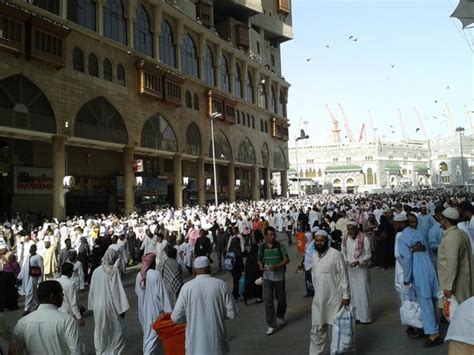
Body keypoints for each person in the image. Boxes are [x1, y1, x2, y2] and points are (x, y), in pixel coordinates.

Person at [171, 256, 236, 355]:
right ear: (209, 268)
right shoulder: (221, 285)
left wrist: (190, 317)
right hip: (217, 346)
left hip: (195, 347)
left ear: (195, 270)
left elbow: (175, 317)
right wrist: (216, 313)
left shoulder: (187, 288)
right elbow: (232, 314)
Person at [398, 213, 442, 347]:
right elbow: (427, 251)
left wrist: (406, 278)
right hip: (428, 267)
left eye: (396, 224)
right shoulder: (419, 233)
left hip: (419, 271)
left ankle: (433, 334)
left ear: (401, 224)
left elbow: (407, 259)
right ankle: (429, 327)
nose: (395, 226)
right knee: (429, 301)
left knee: (425, 301)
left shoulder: (402, 237)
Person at [10, 280, 82, 354]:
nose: (63, 296)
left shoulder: (22, 323)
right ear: (52, 297)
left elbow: (14, 351)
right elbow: (76, 351)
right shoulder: (67, 321)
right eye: (61, 293)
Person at [310, 229, 350, 355]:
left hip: (335, 299)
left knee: (336, 331)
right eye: (317, 240)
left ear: (327, 241)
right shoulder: (314, 255)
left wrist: (346, 295)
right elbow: (313, 276)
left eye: (322, 240)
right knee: (317, 330)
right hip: (318, 300)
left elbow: (344, 276)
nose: (319, 243)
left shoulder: (336, 254)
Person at [88, 249, 130, 355]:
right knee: (118, 330)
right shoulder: (113, 271)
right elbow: (116, 290)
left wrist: (92, 305)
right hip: (110, 305)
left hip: (98, 306)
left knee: (101, 332)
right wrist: (121, 309)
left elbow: (92, 290)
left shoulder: (96, 271)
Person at [135, 253, 173, 355]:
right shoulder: (155, 274)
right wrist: (169, 313)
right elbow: (162, 294)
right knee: (151, 339)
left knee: (151, 337)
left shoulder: (139, 276)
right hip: (155, 312)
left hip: (143, 311)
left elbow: (138, 293)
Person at [438, 207, 474, 304]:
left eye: (441, 219)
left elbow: (452, 264)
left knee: (456, 312)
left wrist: (448, 287)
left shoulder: (451, 237)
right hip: (464, 281)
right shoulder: (461, 233)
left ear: (445, 220)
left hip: (456, 286)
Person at [257, 226, 289, 335]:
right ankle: (271, 324)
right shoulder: (262, 247)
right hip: (267, 277)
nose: (272, 236)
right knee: (268, 301)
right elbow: (259, 259)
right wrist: (261, 265)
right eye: (270, 235)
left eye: (273, 234)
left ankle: (280, 315)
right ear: (265, 236)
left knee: (281, 299)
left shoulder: (280, 246)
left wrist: (277, 266)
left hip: (279, 277)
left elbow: (286, 259)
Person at [341, 221, 372, 324]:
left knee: (363, 292)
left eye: (352, 229)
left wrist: (359, 262)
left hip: (361, 270)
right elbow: (343, 249)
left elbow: (368, 254)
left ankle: (365, 317)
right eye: (348, 229)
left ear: (357, 229)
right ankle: (355, 316)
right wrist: (346, 259)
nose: (350, 231)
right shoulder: (346, 238)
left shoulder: (364, 238)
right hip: (351, 269)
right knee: (353, 293)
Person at [56, 262, 85, 327]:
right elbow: (73, 303)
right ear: (70, 272)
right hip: (68, 314)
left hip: (57, 313)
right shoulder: (70, 283)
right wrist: (79, 317)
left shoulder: (56, 281)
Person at [18, 244, 43, 315]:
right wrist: (19, 277)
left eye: (33, 249)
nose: (31, 250)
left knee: (30, 292)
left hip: (33, 277)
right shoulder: (28, 257)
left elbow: (41, 268)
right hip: (26, 277)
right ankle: (36, 305)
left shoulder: (38, 257)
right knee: (33, 292)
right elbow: (24, 268)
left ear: (35, 249)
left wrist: (40, 279)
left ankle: (27, 308)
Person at [227, 226, 245, 301]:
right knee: (235, 277)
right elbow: (229, 245)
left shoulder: (240, 236)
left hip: (238, 256)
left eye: (234, 230)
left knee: (237, 277)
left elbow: (242, 244)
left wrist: (242, 251)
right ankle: (235, 292)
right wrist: (227, 252)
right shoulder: (231, 237)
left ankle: (236, 293)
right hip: (233, 257)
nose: (233, 231)